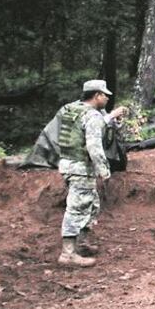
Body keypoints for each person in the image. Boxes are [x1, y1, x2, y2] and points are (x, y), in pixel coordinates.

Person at [55, 80, 124, 266]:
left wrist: (109, 118)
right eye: (105, 95)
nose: (108, 98)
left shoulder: (70, 109)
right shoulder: (92, 116)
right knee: (76, 208)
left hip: (68, 164)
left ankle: (82, 243)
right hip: (81, 168)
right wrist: (104, 170)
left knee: (91, 204)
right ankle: (68, 254)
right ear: (96, 96)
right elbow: (94, 147)